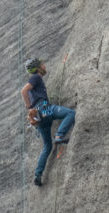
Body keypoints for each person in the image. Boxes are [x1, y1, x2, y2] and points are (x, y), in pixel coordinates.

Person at [20, 57, 75, 187]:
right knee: (70, 113)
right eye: (43, 64)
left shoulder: (37, 82)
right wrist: (29, 106)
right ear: (38, 68)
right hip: (45, 109)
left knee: (47, 146)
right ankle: (59, 135)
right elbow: (23, 91)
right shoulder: (36, 78)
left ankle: (38, 174)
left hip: (40, 118)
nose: (45, 66)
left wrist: (31, 108)